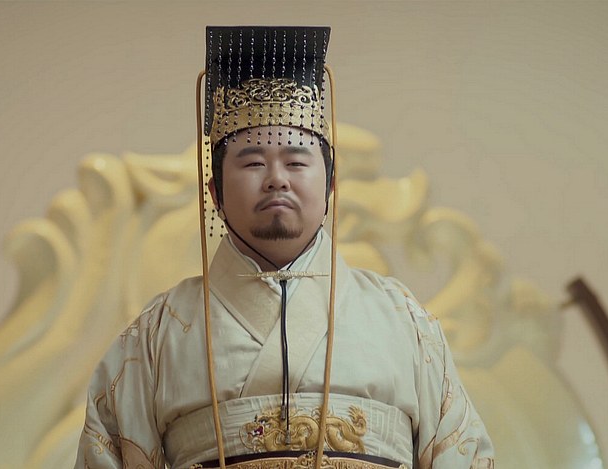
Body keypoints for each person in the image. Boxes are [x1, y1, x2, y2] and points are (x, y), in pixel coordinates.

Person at [75, 26, 494, 469]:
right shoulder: (154, 338)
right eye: (253, 162)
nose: (277, 179)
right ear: (215, 193)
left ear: (331, 184)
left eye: (296, 161)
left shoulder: (405, 323)